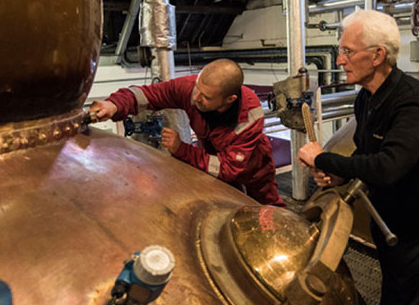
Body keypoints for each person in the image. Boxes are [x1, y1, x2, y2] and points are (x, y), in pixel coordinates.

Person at [298, 10, 419, 305]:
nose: (339, 60)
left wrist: (323, 157)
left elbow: (389, 166)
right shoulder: (366, 98)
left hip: (416, 230)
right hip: (389, 223)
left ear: (378, 56)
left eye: (348, 51)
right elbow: (366, 158)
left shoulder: (412, 102)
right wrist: (336, 176)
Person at [90, 58, 286, 207]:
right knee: (227, 205)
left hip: (252, 167)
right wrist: (113, 105)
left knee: (267, 208)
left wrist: (181, 149)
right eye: (197, 88)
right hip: (211, 159)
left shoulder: (249, 116)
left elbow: (226, 168)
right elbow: (149, 94)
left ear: (229, 99)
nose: (196, 98)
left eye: (206, 97)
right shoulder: (192, 89)